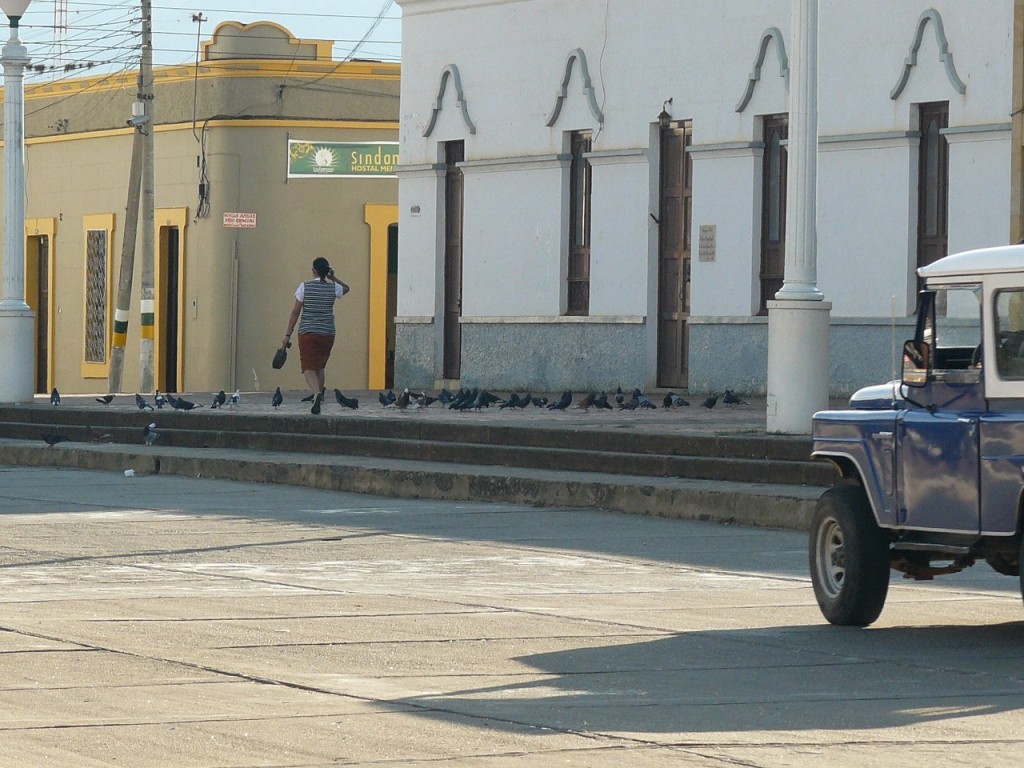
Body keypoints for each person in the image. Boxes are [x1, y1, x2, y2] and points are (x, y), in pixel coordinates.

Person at [282, 257, 350, 414]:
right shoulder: (333, 288)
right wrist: (333, 278)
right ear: (327, 272)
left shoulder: (304, 287)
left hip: (308, 332)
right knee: (319, 366)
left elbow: (295, 311)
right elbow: (346, 288)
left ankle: (317, 393)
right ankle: (319, 396)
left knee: (307, 367)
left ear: (314, 271)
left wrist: (287, 334)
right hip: (327, 333)